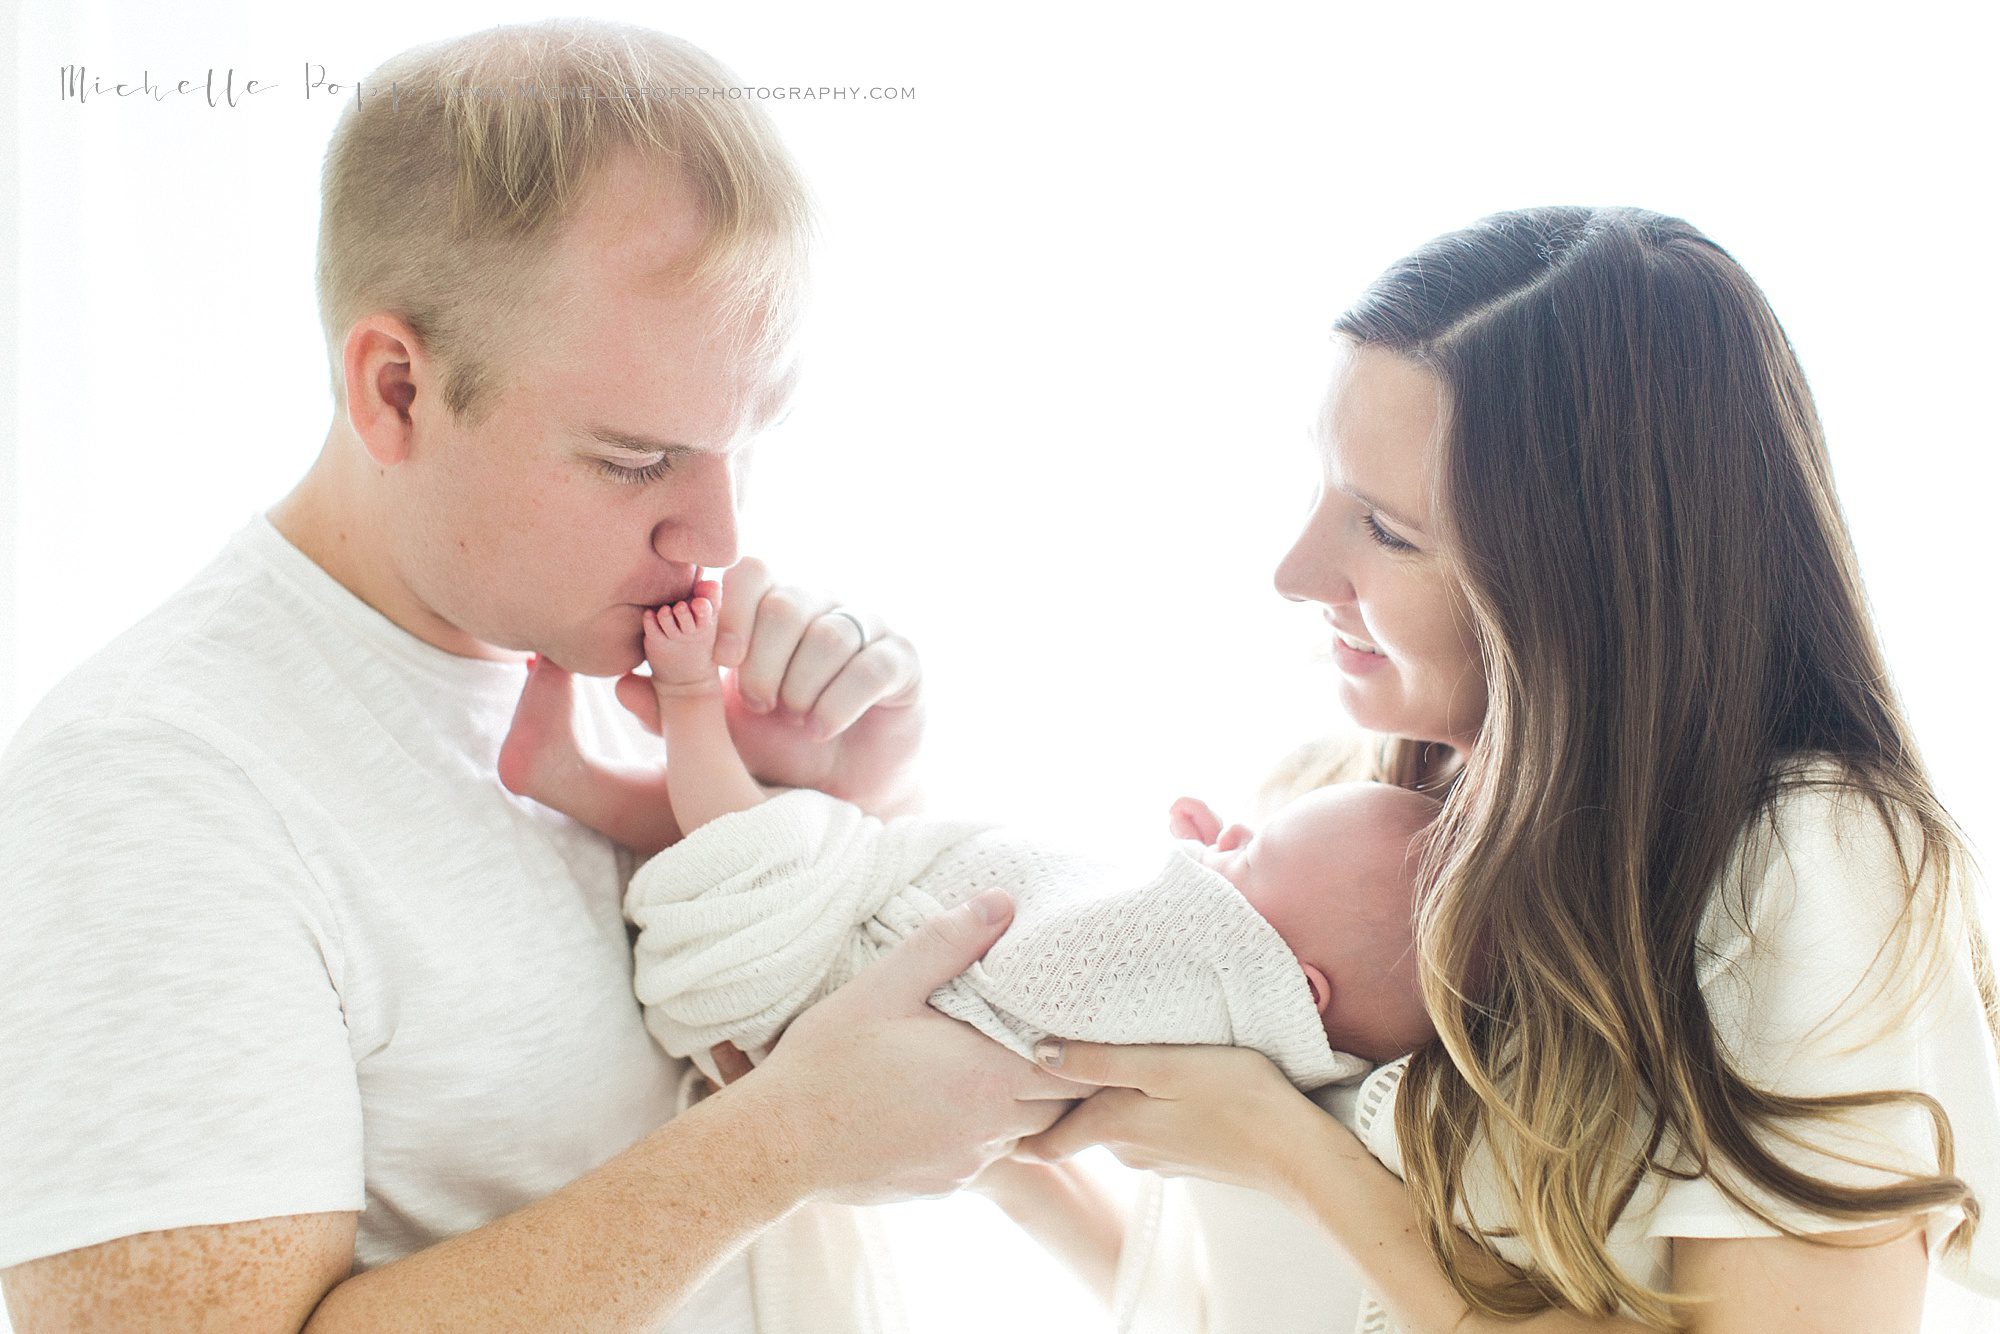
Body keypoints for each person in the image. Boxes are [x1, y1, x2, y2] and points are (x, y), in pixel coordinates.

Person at [0, 21, 1085, 1333]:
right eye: (637, 462)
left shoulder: (601, 657)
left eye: (750, 442)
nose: (720, 539)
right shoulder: (154, 787)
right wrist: (779, 1143)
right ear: (396, 388)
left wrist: (837, 820)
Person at [1010, 207, 2000, 1332]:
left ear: (1586, 577)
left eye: (1384, 529)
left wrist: (1289, 1151)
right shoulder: (1339, 808)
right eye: (1326, 490)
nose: (1293, 571)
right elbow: (1236, 1296)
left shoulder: (1805, 867)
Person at [501, 580, 1442, 1086]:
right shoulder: (1256, 984)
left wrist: (1199, 877)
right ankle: (571, 779)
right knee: (791, 837)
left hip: (824, 994)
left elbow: (1038, 967)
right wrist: (1225, 855)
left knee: (761, 856)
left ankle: (685, 701)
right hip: (866, 930)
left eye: (1248, 855)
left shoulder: (1211, 989)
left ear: (1294, 983)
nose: (1214, 853)